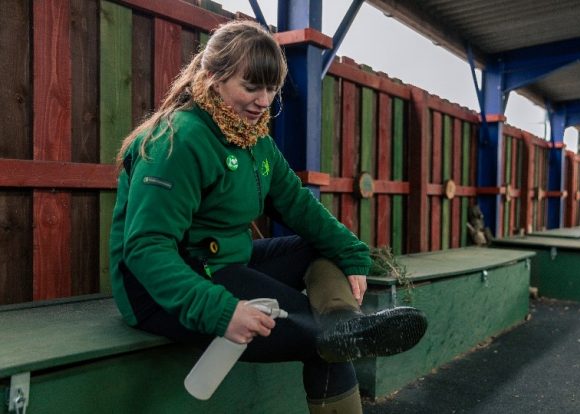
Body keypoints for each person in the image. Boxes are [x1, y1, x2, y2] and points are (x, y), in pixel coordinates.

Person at [109, 19, 426, 413]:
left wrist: (353, 253)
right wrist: (220, 310)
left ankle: (346, 321)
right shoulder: (178, 140)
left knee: (321, 253)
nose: (263, 101)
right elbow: (145, 249)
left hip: (225, 262)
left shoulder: (253, 138)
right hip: (166, 286)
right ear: (213, 78)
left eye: (272, 89)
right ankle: (337, 332)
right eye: (252, 86)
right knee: (322, 345)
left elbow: (297, 204)